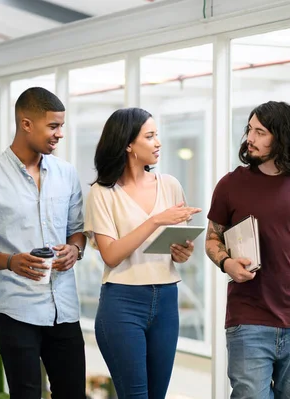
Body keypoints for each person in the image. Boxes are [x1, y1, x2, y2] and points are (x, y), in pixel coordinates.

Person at [0, 87, 87, 399]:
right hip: (15, 310)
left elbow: (78, 230)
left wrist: (76, 249)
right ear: (26, 123)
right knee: (26, 394)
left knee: (72, 394)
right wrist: (10, 261)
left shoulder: (67, 174)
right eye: (53, 126)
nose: (59, 135)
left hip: (64, 308)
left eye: (61, 127)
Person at [205, 101, 290, 398]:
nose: (250, 138)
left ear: (281, 137)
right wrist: (226, 264)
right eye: (250, 129)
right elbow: (212, 239)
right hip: (248, 320)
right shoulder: (230, 185)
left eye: (260, 132)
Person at [84, 107, 201, 399]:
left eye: (157, 135)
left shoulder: (171, 185)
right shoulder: (102, 193)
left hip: (166, 300)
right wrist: (156, 220)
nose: (158, 142)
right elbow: (110, 255)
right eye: (150, 136)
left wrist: (182, 251)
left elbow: (180, 252)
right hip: (122, 302)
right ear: (127, 144)